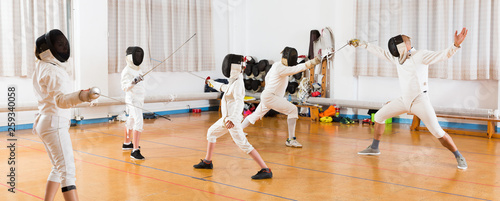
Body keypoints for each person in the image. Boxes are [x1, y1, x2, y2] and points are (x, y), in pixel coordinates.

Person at [350, 28, 469, 169]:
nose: (393, 50)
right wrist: (362, 44)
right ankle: (374, 148)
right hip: (404, 100)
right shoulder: (398, 59)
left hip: (420, 100)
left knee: (437, 131)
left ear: (403, 45)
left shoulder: (421, 55)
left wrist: (455, 45)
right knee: (379, 116)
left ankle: (458, 156)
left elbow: (442, 55)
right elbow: (381, 52)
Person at [33, 29, 99, 201]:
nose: (63, 47)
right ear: (49, 49)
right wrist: (83, 96)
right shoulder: (54, 71)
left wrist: (83, 96)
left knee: (58, 167)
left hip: (46, 121)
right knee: (67, 171)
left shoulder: (42, 66)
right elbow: (61, 100)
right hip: (54, 122)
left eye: (64, 44)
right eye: (59, 44)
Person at [193, 54, 272, 179]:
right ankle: (207, 162)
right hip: (226, 119)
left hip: (231, 121)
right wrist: (211, 83)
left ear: (233, 67)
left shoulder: (238, 83)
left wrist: (233, 119)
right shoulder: (233, 80)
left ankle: (265, 169)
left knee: (244, 145)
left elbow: (240, 102)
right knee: (211, 133)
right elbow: (224, 87)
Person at [241, 47, 321, 147]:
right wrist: (311, 63)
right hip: (271, 97)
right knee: (293, 110)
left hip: (268, 96)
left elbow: (267, 77)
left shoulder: (276, 65)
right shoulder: (281, 68)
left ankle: (238, 131)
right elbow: (295, 69)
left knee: (255, 115)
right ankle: (291, 140)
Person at [120, 46, 146, 160]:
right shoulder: (126, 70)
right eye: (136, 55)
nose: (138, 57)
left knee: (131, 119)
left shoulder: (138, 68)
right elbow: (125, 87)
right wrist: (133, 81)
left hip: (139, 99)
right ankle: (135, 151)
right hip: (133, 100)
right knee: (138, 122)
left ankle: (127, 143)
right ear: (131, 57)